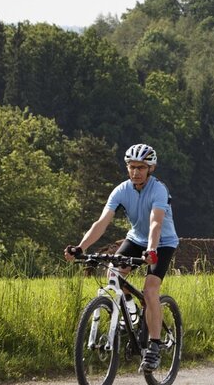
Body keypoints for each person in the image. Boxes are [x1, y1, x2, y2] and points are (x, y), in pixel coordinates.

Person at [64, 143, 179, 373]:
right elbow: (102, 222)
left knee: (150, 290)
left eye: (140, 167)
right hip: (136, 239)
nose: (135, 172)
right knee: (112, 273)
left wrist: (152, 250)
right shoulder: (121, 190)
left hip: (162, 243)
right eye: (131, 167)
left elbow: (156, 223)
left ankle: (154, 346)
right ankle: (131, 311)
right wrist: (80, 247)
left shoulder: (158, 190)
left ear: (150, 168)